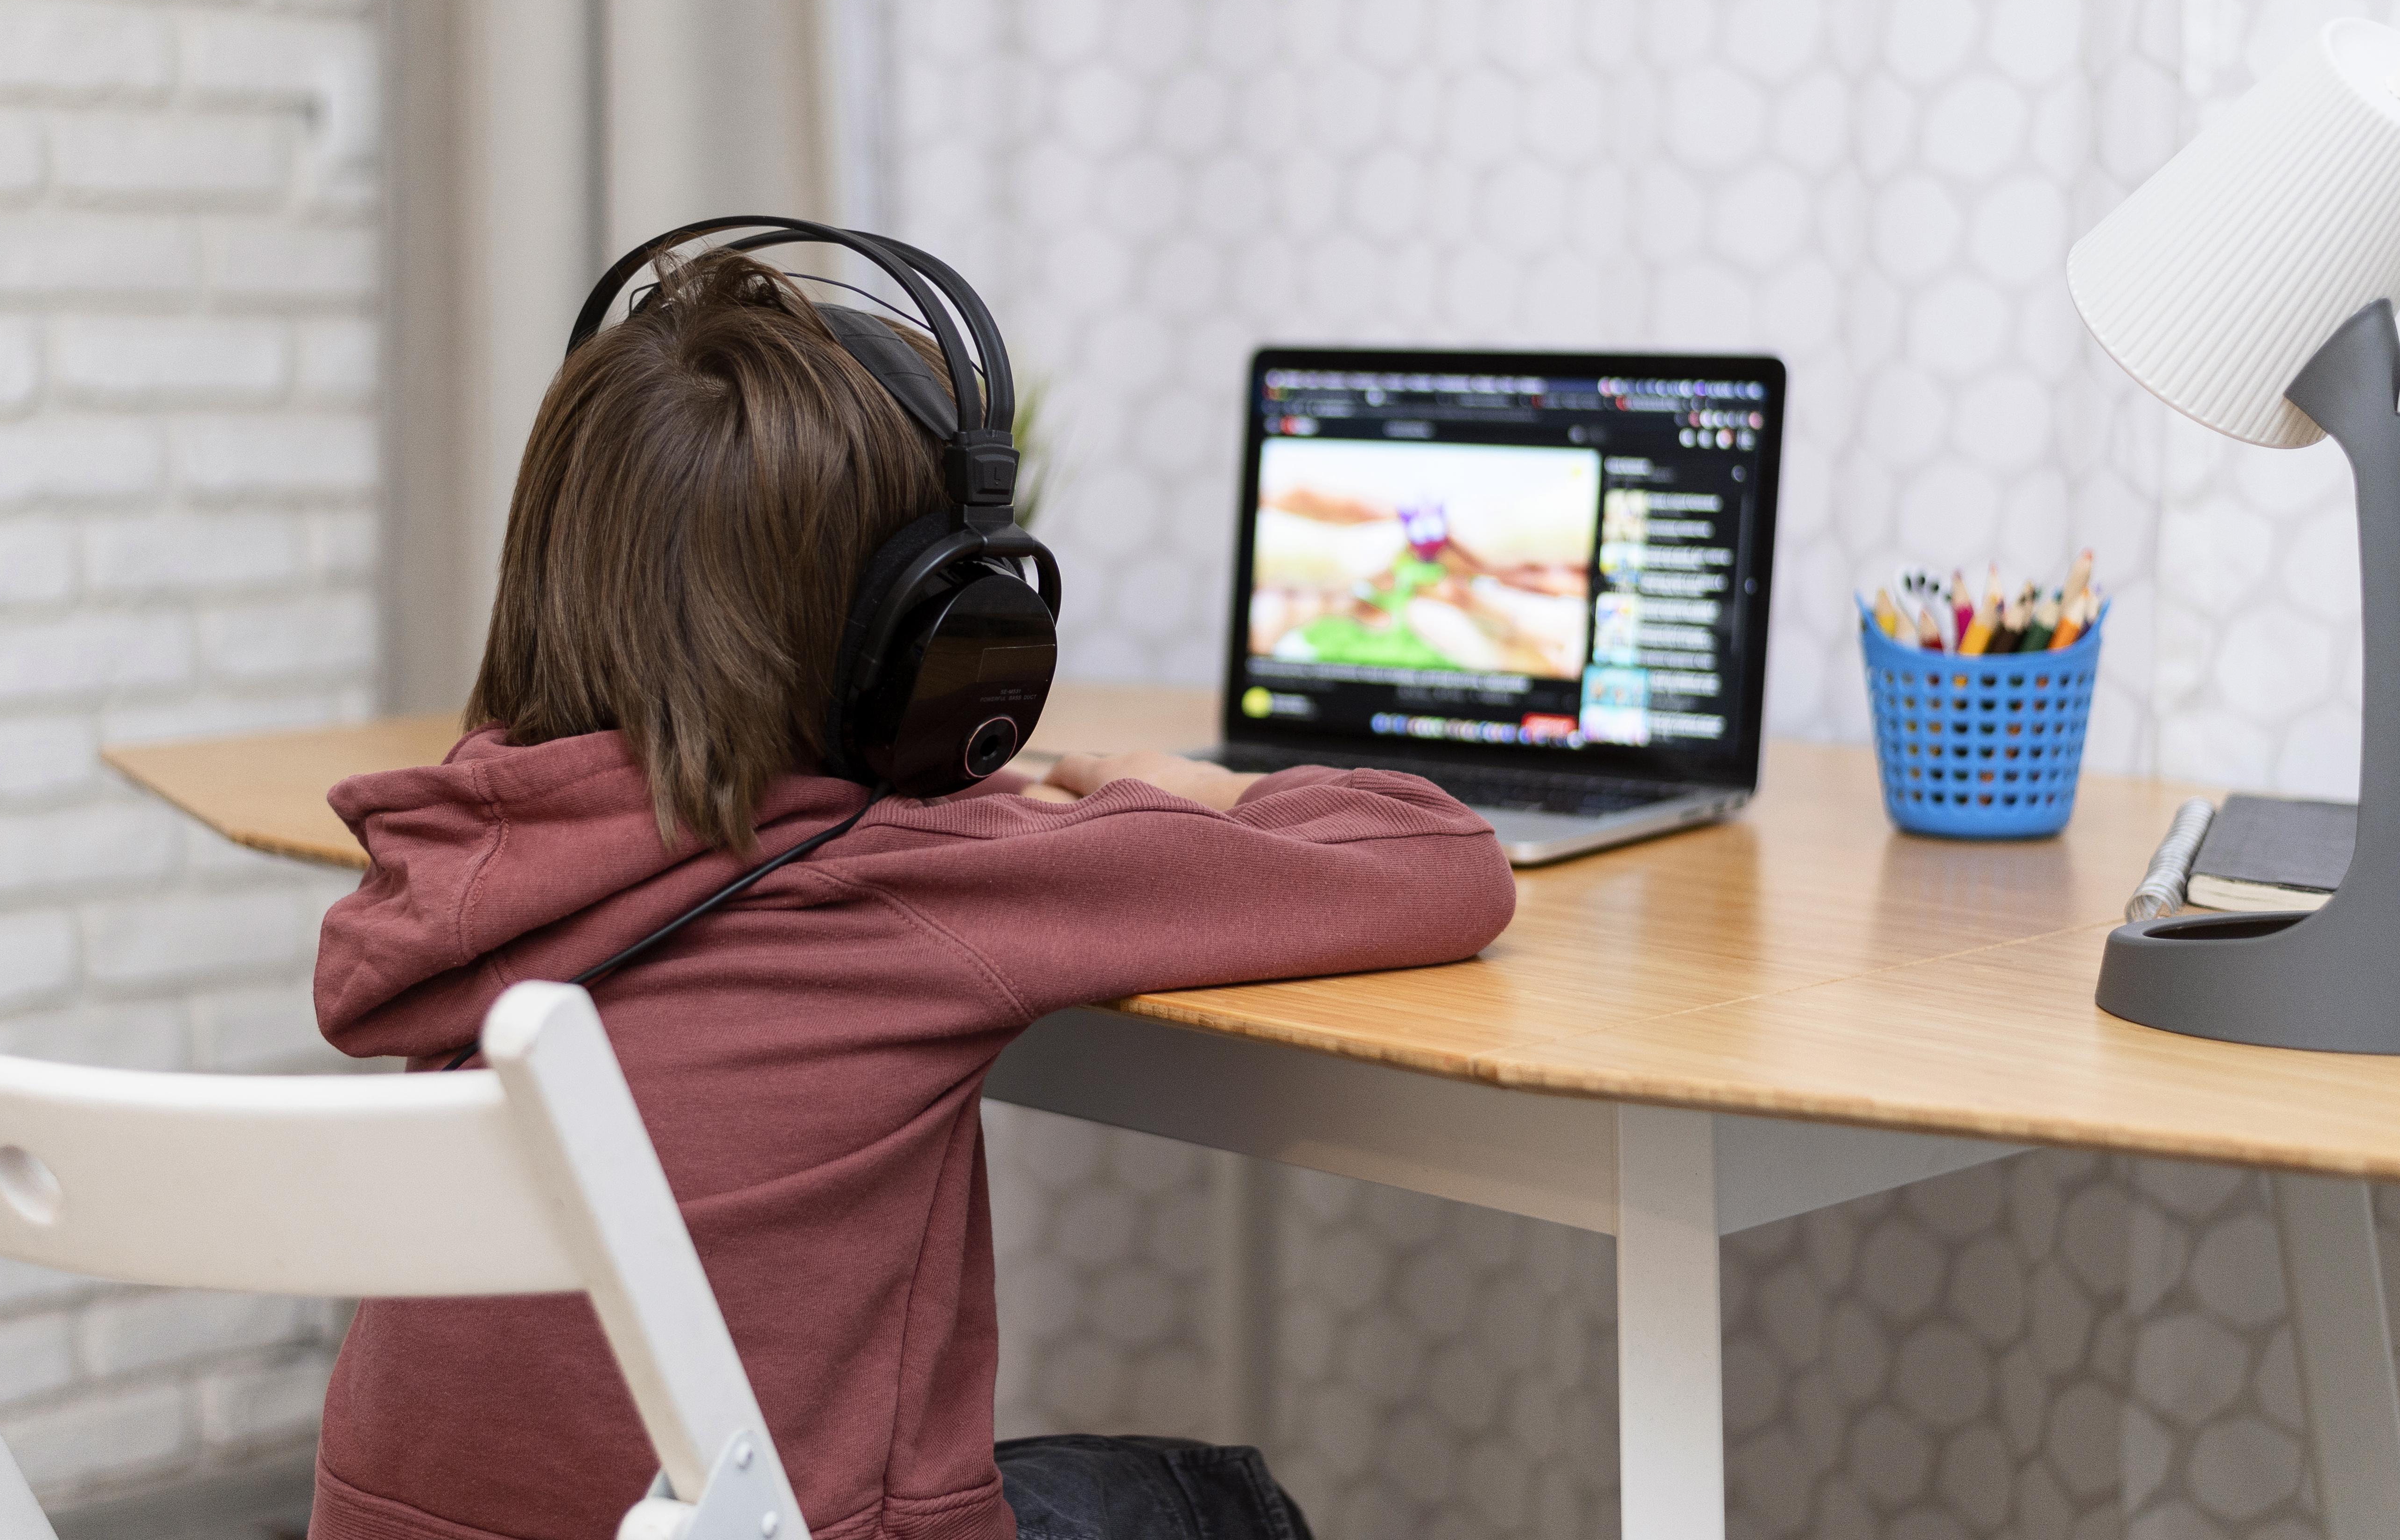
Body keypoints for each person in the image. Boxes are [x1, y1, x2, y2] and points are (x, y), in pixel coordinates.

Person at [306, 245, 1516, 1540]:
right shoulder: (917, 876)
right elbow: (1447, 862)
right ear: (926, 637)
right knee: (1210, 1502)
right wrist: (1201, 796)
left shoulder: (451, 859)